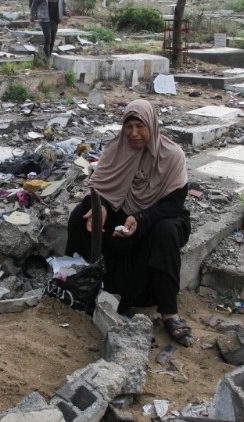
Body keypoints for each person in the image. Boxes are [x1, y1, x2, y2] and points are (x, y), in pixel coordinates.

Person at [65, 99, 193, 347]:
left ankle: (169, 313)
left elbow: (175, 203)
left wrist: (142, 218)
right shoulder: (116, 149)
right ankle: (80, 283)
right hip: (122, 213)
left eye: (140, 126)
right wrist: (99, 206)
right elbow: (100, 187)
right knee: (81, 216)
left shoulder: (172, 155)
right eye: (129, 126)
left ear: (152, 126)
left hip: (159, 216)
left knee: (166, 232)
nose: (134, 134)